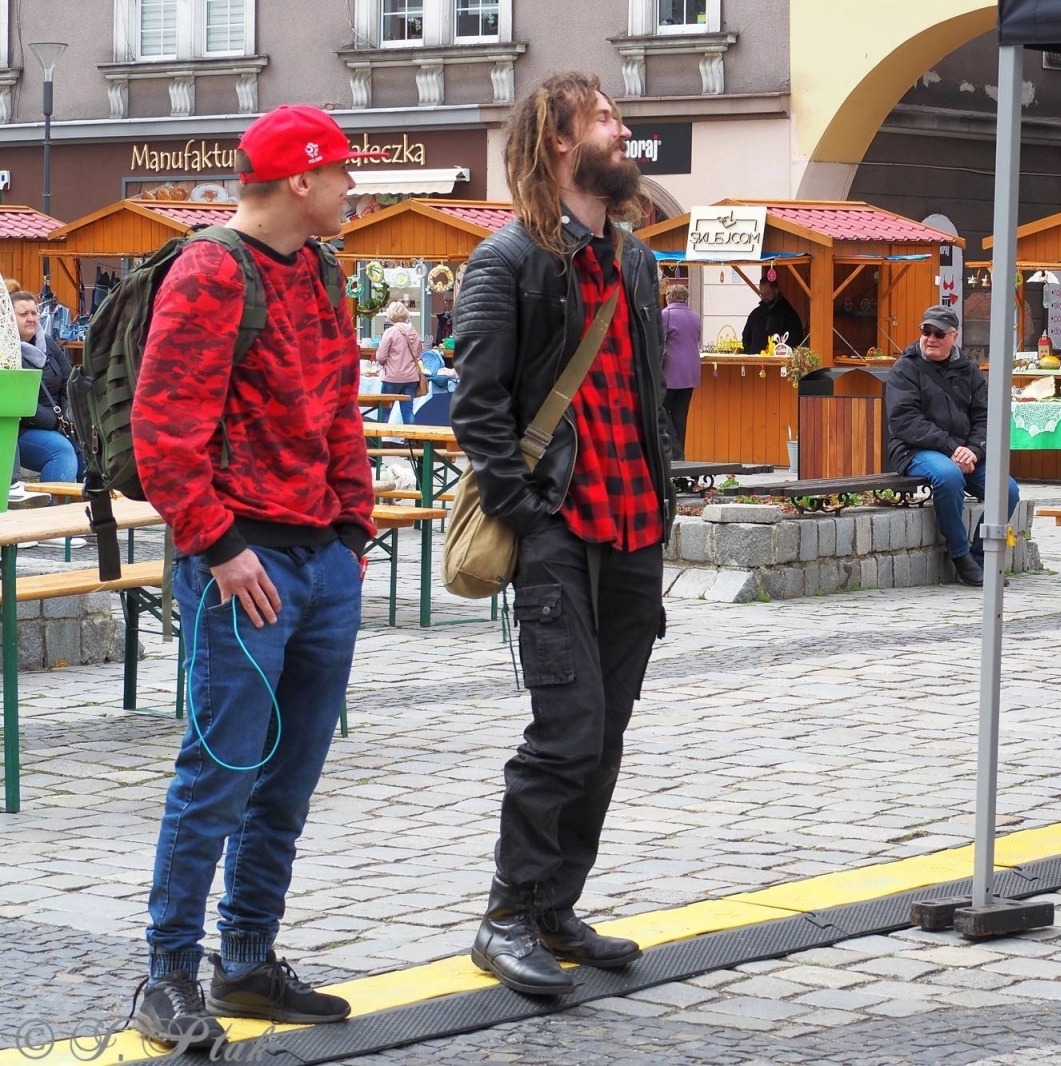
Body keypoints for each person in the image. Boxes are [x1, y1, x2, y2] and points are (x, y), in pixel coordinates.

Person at [127, 104, 383, 1048]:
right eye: (344, 173)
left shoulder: (319, 268)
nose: (354, 188)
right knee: (220, 771)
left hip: (319, 561)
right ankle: (167, 975)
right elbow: (164, 433)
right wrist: (221, 547)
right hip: (243, 565)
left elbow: (341, 408)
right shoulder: (208, 271)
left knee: (290, 777)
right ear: (302, 180)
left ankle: (246, 961)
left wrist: (352, 532)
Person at [451, 71, 674, 998]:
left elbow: (652, 398)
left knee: (608, 731)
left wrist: (665, 498)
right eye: (606, 120)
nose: (623, 132)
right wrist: (531, 513)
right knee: (566, 730)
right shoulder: (507, 264)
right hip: (559, 532)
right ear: (558, 141)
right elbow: (478, 410)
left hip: (632, 529)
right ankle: (505, 915)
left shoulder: (636, 262)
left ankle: (553, 905)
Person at [885, 304, 1019, 588]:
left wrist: (974, 449)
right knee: (948, 476)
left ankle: (981, 558)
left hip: (962, 451)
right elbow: (905, 421)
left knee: (1007, 490)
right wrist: (951, 448)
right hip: (915, 450)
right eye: (926, 331)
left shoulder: (968, 369)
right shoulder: (904, 368)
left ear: (954, 336)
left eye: (939, 333)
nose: (931, 338)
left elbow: (985, 417)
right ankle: (960, 556)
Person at [11, 289, 83, 485]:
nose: (31, 318)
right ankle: (52, 512)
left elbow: (69, 382)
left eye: (34, 313)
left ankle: (83, 510)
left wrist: (68, 414)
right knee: (62, 451)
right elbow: (20, 403)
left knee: (89, 452)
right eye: (23, 314)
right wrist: (56, 423)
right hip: (18, 429)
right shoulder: (5, 353)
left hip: (59, 424)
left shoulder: (48, 344)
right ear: (9, 318)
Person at [660, 284, 701, 460]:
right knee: (680, 415)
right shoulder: (695, 317)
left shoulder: (665, 315)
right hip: (691, 373)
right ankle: (680, 455)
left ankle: (676, 454)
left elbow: (658, 341)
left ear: (669, 297)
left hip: (670, 372)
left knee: (661, 409)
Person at [374, 300, 424, 424]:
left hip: (392, 377)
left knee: (385, 411)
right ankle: (411, 440)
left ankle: (380, 440)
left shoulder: (390, 332)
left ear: (391, 315)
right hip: (411, 378)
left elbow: (381, 357)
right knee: (407, 412)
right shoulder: (414, 332)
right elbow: (418, 354)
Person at [741, 276, 806, 354]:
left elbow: (796, 341)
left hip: (780, 363)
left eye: (767, 294)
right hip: (755, 362)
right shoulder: (755, 315)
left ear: (776, 291)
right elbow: (746, 338)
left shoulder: (789, 316)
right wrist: (751, 353)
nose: (764, 297)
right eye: (762, 294)